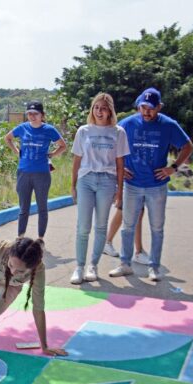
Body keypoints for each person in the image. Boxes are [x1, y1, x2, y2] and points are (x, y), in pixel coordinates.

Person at [109, 88, 193, 281]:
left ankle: (154, 267)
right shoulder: (127, 124)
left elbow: (187, 145)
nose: (147, 112)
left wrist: (173, 167)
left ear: (159, 107)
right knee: (128, 226)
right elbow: (111, 143)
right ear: (138, 105)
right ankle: (125, 264)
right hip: (132, 184)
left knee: (157, 228)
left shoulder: (168, 125)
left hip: (157, 185)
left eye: (151, 108)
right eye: (143, 107)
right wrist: (118, 168)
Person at [69, 93, 128, 285]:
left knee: (101, 225)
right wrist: (73, 184)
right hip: (86, 179)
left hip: (107, 180)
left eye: (103, 108)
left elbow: (120, 163)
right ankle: (79, 266)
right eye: (96, 107)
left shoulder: (118, 132)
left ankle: (92, 265)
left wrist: (119, 190)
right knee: (83, 226)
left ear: (110, 110)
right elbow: (77, 159)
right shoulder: (83, 131)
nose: (99, 111)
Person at [5, 101, 67, 241]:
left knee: (42, 207)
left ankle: (40, 239)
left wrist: (52, 154)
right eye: (29, 114)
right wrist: (16, 151)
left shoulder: (49, 129)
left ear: (42, 115)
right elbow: (7, 138)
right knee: (23, 209)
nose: (32, 116)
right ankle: (20, 238)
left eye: (35, 114)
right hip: (23, 172)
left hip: (42, 173)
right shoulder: (22, 128)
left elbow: (63, 145)